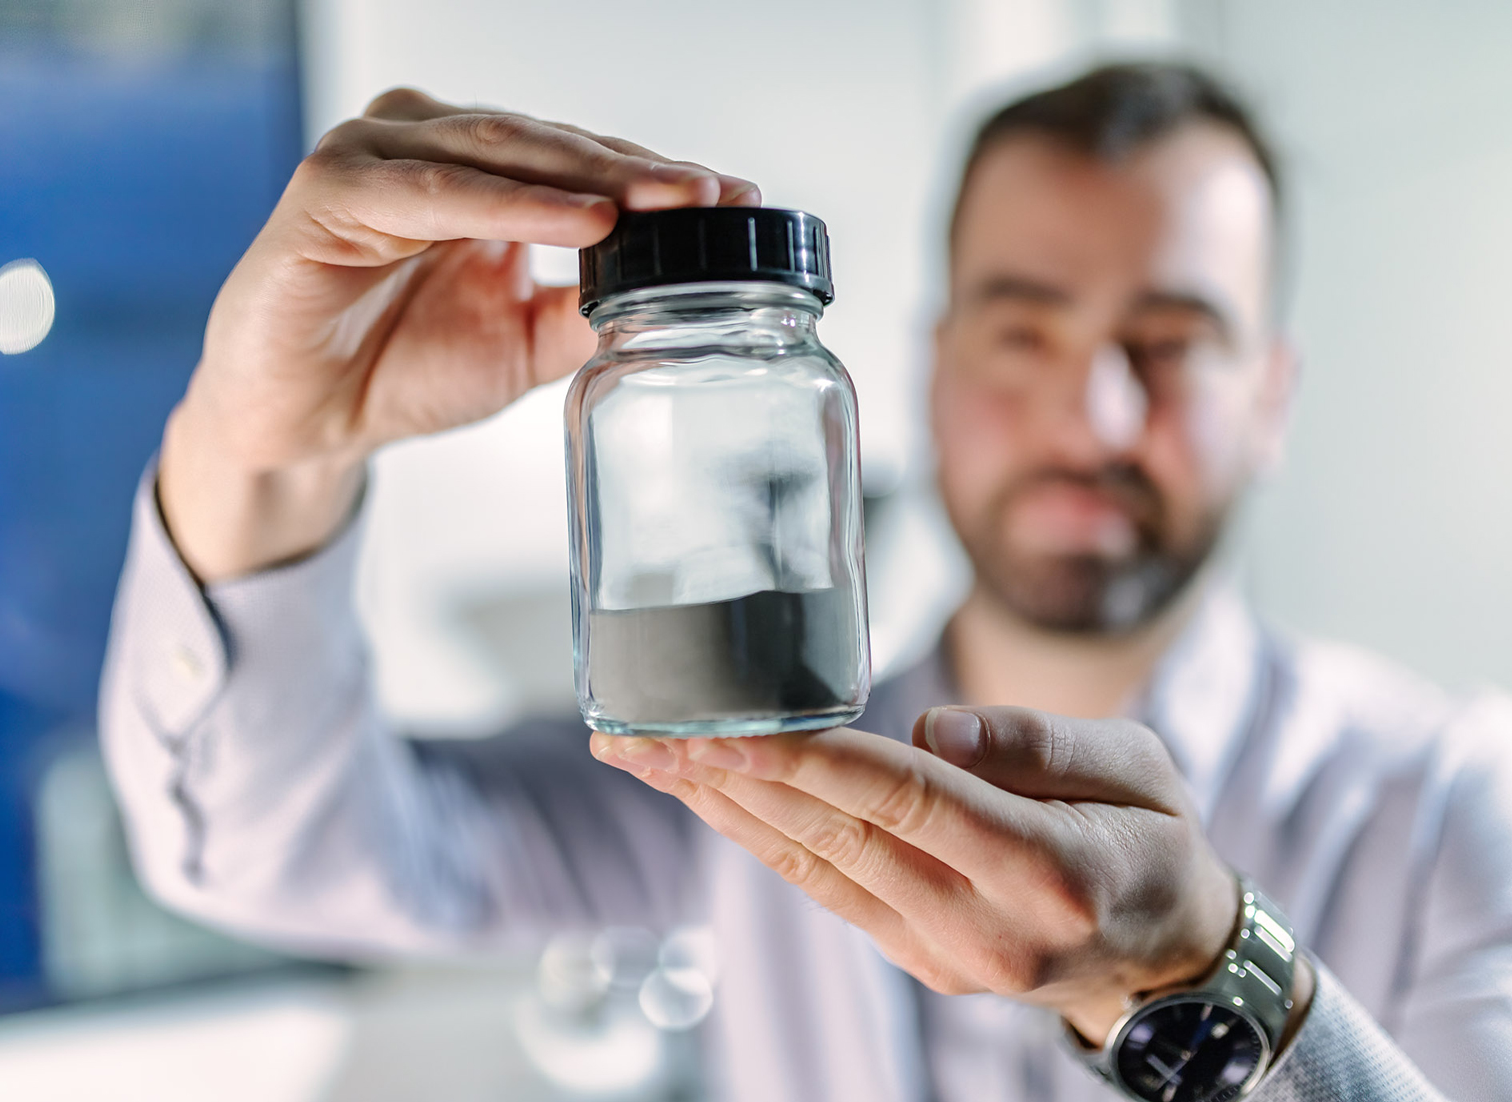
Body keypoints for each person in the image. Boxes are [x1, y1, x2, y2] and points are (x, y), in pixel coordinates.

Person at [99, 63, 1512, 1100]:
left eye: (1170, 337)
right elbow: (273, 847)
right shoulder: (735, 761)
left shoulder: (1450, 800)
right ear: (930, 358)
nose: (1090, 410)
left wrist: (1204, 975)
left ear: (1269, 394)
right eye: (1023, 331)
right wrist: (260, 449)